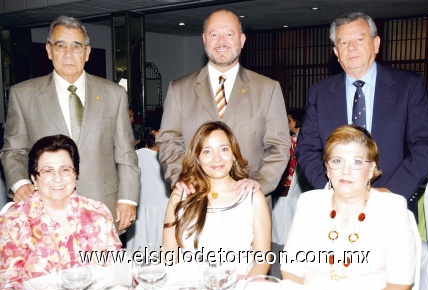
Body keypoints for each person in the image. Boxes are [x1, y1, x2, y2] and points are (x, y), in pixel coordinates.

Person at [0, 15, 140, 231]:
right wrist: (20, 183)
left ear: (87, 52)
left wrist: (128, 199)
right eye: (60, 45)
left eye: (76, 46)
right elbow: (13, 151)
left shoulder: (114, 94)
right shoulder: (23, 95)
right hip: (45, 210)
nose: (68, 54)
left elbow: (126, 154)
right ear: (49, 50)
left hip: (103, 209)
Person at [297, 12, 428, 216]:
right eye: (344, 42)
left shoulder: (407, 86)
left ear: (376, 43)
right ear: (336, 52)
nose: (351, 47)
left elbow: (425, 143)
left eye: (359, 39)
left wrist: (392, 192)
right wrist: (334, 191)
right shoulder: (319, 93)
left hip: (393, 204)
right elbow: (307, 148)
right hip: (335, 208)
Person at [156, 9, 290, 201]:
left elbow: (279, 147)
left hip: (251, 200)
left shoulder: (267, 89)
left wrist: (258, 182)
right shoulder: (179, 89)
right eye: (214, 34)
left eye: (229, 34)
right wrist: (184, 178)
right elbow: (168, 141)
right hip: (195, 198)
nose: (221, 41)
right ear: (204, 39)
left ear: (242, 40)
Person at [281, 125, 416, 290]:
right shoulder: (309, 203)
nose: (345, 171)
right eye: (337, 161)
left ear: (371, 169)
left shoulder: (391, 208)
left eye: (357, 162)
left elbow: (400, 284)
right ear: (328, 169)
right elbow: (291, 268)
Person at [0, 134, 121, 280]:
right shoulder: (14, 221)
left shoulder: (98, 213)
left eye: (65, 170)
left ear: (75, 174)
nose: (57, 178)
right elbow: (8, 284)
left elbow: (117, 271)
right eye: (47, 171)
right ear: (34, 178)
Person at [162, 121, 271, 277]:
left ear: (234, 154)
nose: (217, 159)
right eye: (207, 151)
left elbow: (262, 260)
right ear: (197, 158)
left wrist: (246, 286)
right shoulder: (180, 196)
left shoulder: (252, 197)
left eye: (224, 149)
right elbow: (168, 256)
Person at [127, 114, 170, 251]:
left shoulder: (137, 153)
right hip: (153, 209)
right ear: (154, 132)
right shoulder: (144, 155)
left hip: (151, 211)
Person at [272, 108, 306, 245]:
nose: (287, 123)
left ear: (297, 121)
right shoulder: (305, 138)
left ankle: (282, 235)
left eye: (289, 120)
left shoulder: (291, 141)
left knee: (284, 203)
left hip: (290, 176)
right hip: (299, 177)